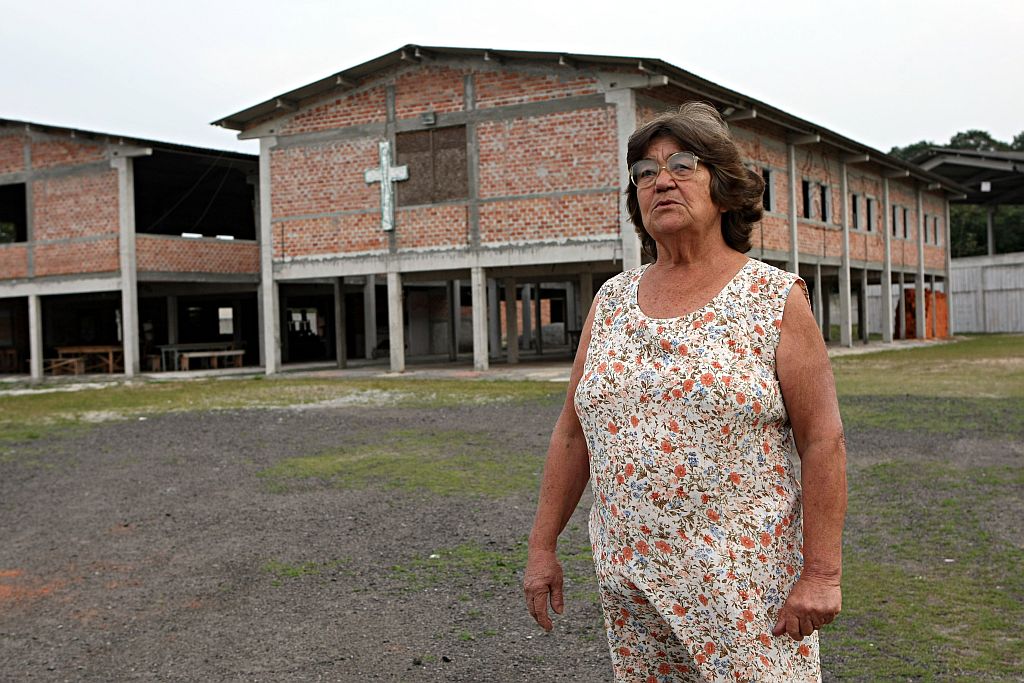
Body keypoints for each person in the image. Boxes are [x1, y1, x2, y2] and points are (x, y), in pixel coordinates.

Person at [524, 102, 846, 682]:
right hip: (630, 580)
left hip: (745, 588)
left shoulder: (773, 297)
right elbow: (574, 433)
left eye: (681, 164)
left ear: (723, 190)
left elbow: (823, 439)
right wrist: (542, 547)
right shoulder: (611, 301)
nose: (660, 180)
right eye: (644, 172)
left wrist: (822, 574)